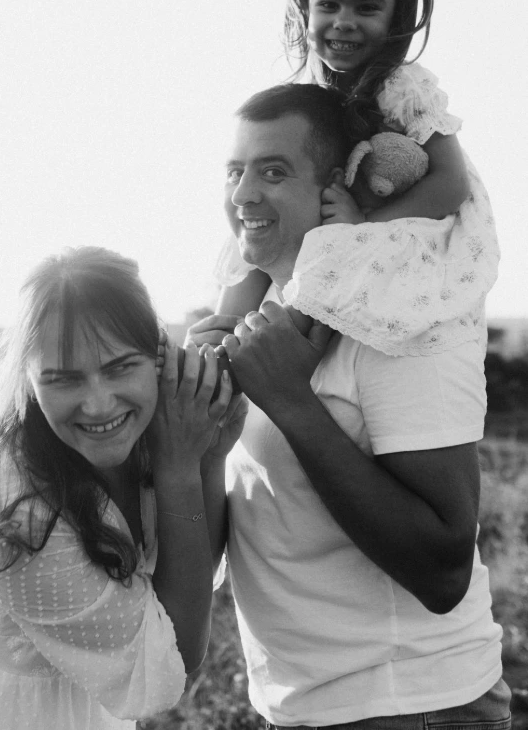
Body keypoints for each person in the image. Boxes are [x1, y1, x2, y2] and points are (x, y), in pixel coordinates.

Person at [188, 84, 510, 728]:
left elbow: (444, 570)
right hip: (301, 705)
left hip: (413, 706)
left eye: (273, 172)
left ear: (335, 185)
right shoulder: (256, 320)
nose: (244, 194)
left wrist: (291, 403)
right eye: (235, 170)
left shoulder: (399, 316)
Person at [0, 246, 246, 730]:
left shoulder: (157, 433)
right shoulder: (18, 515)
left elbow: (187, 580)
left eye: (120, 367)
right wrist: (181, 467)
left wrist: (208, 455)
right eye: (64, 380)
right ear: (29, 381)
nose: (99, 405)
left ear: (159, 359)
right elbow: (176, 660)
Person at [215, 0, 499, 358]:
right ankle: (220, 342)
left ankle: (284, 341)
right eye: (329, 4)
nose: (344, 21)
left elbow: (450, 184)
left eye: (367, 8)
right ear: (306, 6)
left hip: (399, 217)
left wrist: (363, 226)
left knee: (326, 252)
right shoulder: (312, 96)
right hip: (335, 211)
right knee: (256, 233)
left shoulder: (403, 88)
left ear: (394, 18)